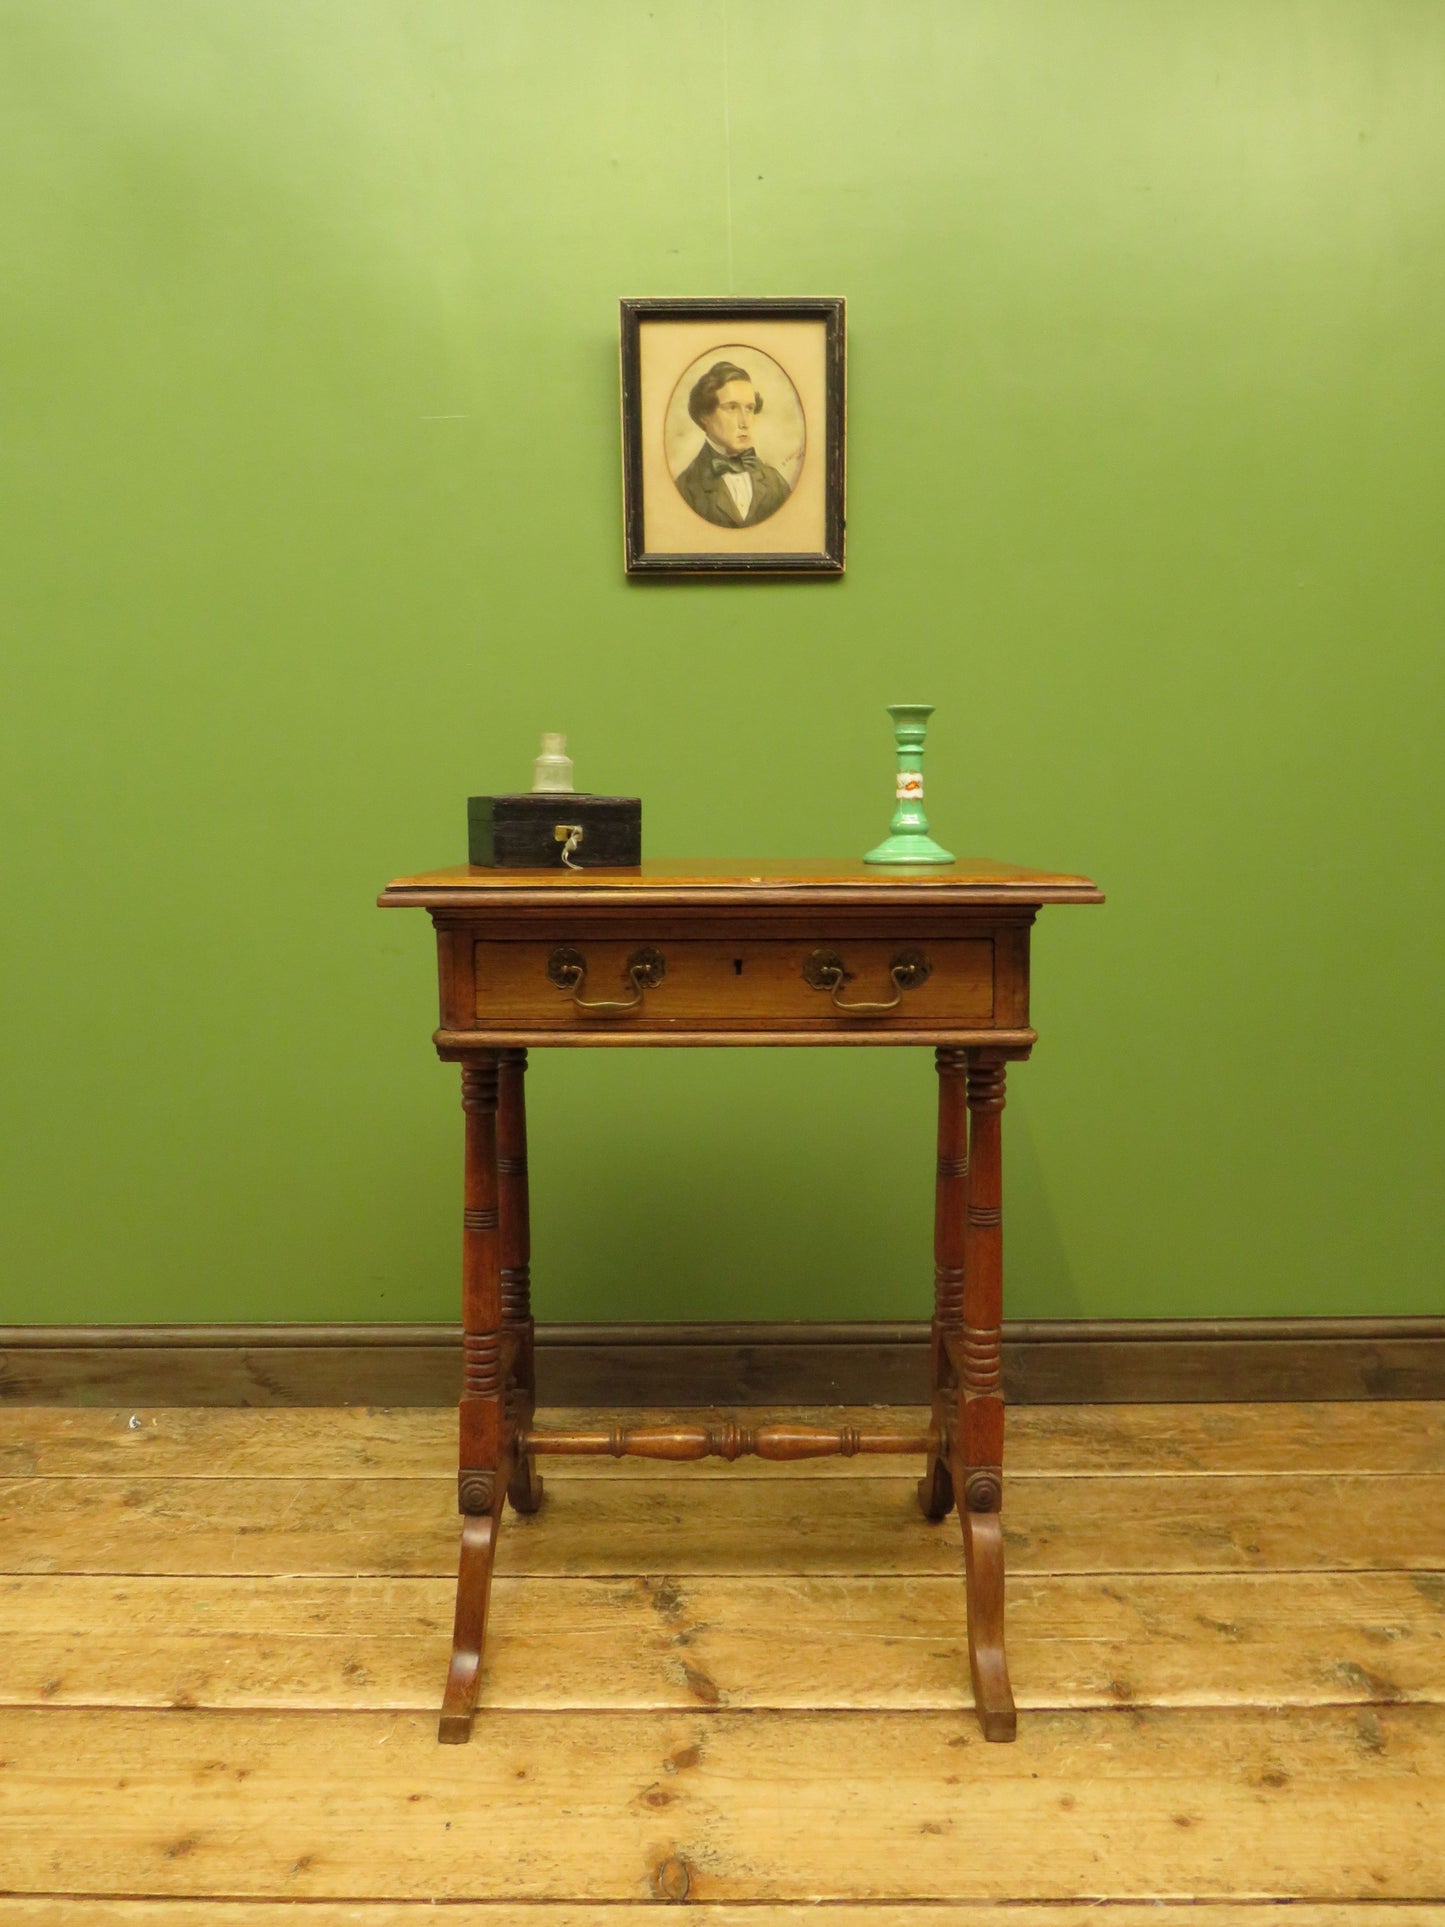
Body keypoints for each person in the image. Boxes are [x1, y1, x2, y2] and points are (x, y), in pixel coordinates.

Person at [672, 359, 793, 528]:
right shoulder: (685, 489)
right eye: (732, 408)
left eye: (749, 408)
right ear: (705, 415)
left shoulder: (775, 483)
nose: (744, 422)